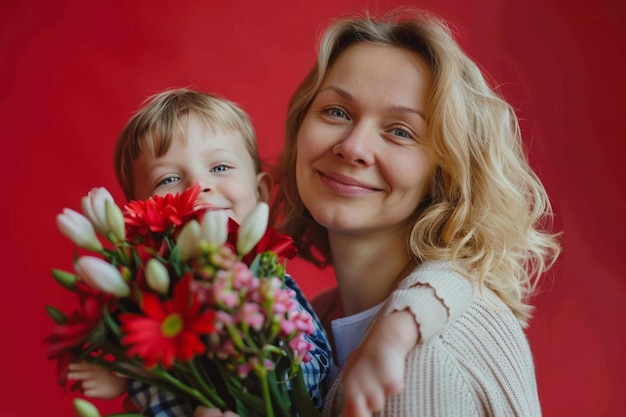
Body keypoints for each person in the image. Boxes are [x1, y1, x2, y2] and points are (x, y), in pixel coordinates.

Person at [271, 6, 561, 417]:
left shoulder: (422, 359)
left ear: (444, 173)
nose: (353, 147)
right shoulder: (312, 318)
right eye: (337, 111)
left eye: (400, 131)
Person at [66, 87, 332, 415]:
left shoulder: (262, 285)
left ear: (260, 193)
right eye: (168, 179)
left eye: (220, 168)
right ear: (138, 216)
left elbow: (309, 374)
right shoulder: (149, 303)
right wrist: (127, 374)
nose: (197, 188)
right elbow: (161, 359)